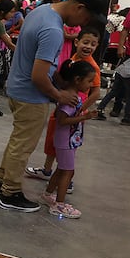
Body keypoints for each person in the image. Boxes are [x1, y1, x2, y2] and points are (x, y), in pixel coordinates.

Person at [0, 0, 108, 212]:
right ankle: (10, 193)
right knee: (23, 145)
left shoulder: (41, 11)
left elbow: (42, 61)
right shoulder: (53, 29)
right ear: (79, 7)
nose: (83, 25)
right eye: (86, 18)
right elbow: (38, 75)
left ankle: (1, 180)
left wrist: (59, 80)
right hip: (31, 95)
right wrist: (59, 95)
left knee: (17, 140)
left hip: (17, 87)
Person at [26, 26, 103, 182]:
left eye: (93, 44)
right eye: (85, 42)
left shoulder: (92, 68)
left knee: (68, 146)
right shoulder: (72, 59)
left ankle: (66, 178)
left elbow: (96, 92)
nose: (88, 46)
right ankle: (47, 170)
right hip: (62, 106)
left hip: (73, 110)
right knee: (54, 139)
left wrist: (81, 108)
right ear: (76, 42)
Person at [38, 60, 98, 219]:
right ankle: (59, 204)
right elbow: (62, 120)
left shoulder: (73, 96)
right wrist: (84, 117)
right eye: (89, 81)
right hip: (65, 141)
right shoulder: (71, 99)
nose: (90, 85)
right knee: (68, 172)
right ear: (77, 80)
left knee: (61, 169)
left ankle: (48, 194)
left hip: (68, 140)